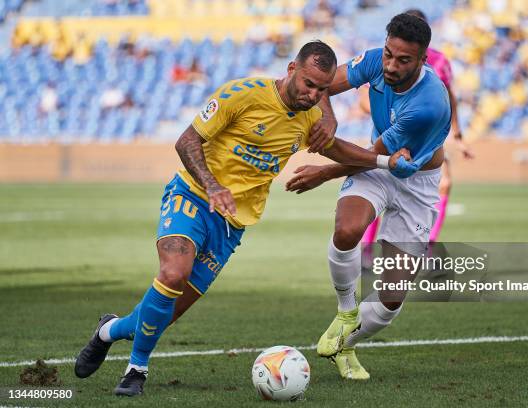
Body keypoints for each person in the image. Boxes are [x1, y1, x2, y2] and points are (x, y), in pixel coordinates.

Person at [73, 41, 411, 396]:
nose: (313, 95)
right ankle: (136, 369)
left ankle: (107, 331)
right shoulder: (243, 94)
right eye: (308, 84)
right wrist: (213, 186)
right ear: (292, 69)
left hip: (232, 222)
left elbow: (338, 149)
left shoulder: (309, 118)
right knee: (173, 273)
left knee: (164, 314)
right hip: (192, 195)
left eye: (323, 90)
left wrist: (387, 162)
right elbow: (186, 141)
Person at [285, 14, 451, 380]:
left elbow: (369, 156)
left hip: (415, 184)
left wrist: (323, 174)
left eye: (403, 60)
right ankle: (346, 312)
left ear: (423, 60)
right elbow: (324, 85)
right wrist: (328, 119)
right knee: (347, 230)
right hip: (380, 166)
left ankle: (346, 343)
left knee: (391, 299)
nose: (390, 65)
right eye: (389, 53)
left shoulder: (427, 106)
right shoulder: (376, 60)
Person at [360, 9, 474, 246]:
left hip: (427, 133)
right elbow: (364, 97)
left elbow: (449, 98)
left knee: (444, 182)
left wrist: (458, 133)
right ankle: (368, 244)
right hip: (390, 132)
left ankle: (429, 242)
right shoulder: (384, 60)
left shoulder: (440, 61)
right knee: (380, 184)